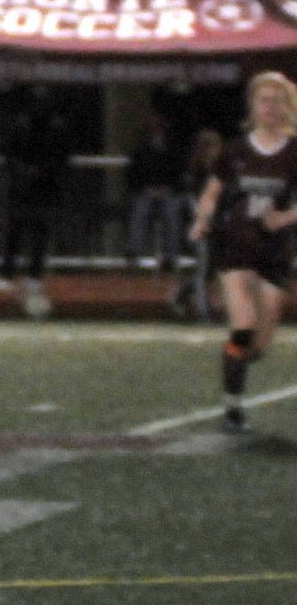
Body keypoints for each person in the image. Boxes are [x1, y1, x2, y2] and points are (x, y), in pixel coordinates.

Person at [189, 71, 297, 432]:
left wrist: (287, 216)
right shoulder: (235, 149)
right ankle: (232, 406)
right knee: (243, 324)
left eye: (276, 99)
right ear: (252, 105)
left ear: (287, 105)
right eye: (263, 99)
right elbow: (211, 193)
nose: (270, 106)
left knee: (260, 344)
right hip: (235, 244)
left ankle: (238, 360)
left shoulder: (294, 150)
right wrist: (202, 219)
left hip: (275, 250)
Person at [0, 86, 71, 314]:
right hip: (21, 188)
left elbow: (62, 159)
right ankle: (6, 274)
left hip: (45, 189)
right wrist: (23, 172)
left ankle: (35, 276)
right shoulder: (20, 125)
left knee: (39, 233)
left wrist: (42, 173)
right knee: (14, 233)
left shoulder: (57, 128)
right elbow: (8, 155)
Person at [168, 127, 223, 321]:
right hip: (199, 224)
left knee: (212, 268)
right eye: (214, 147)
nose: (218, 151)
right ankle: (202, 311)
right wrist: (201, 222)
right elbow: (194, 203)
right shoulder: (196, 173)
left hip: (217, 224)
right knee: (203, 267)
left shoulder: (218, 171)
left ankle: (181, 294)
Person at [125, 113, 182, 272]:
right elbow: (133, 172)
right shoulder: (140, 147)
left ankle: (170, 257)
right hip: (145, 192)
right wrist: (145, 189)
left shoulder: (173, 145)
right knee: (140, 212)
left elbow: (178, 171)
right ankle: (133, 254)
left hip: (169, 192)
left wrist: (168, 188)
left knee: (172, 214)